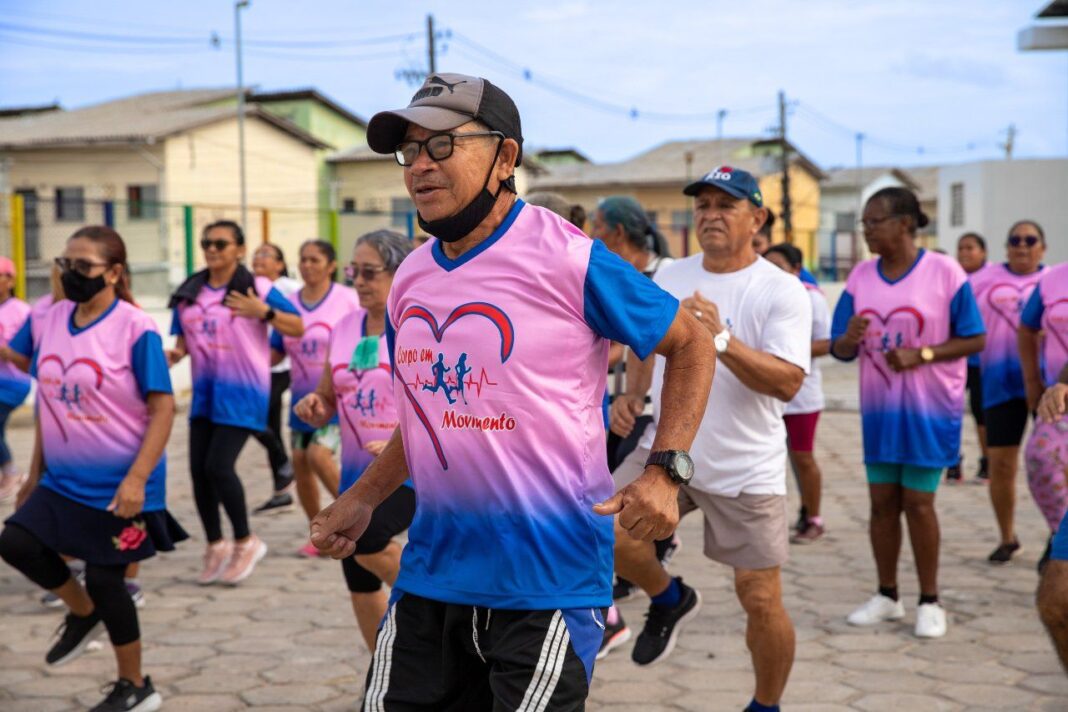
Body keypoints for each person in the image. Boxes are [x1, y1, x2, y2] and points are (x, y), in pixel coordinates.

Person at [308, 72, 714, 711]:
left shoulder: (567, 257)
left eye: (442, 145)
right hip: (431, 579)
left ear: (505, 155)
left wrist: (665, 470)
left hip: (545, 586)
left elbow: (690, 344)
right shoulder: (409, 279)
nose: (420, 166)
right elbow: (426, 420)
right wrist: (362, 497)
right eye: (409, 150)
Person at [611, 166, 809, 712]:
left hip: (746, 466)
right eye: (702, 206)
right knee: (601, 530)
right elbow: (641, 339)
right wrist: (632, 393)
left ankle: (765, 705)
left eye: (726, 205)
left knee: (760, 599)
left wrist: (720, 338)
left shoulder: (781, 289)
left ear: (758, 218)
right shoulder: (672, 273)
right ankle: (668, 597)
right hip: (668, 450)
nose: (710, 215)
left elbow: (789, 381)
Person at [0, 225, 185, 712]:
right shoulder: (51, 319)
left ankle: (136, 685)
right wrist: (34, 474)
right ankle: (82, 613)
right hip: (61, 479)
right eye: (65, 264)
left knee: (108, 581)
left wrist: (137, 481)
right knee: (15, 541)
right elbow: (49, 402)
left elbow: (163, 408)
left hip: (119, 484)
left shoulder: (135, 327)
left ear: (115, 272)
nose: (70, 274)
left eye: (83, 266)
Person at [831, 187, 984, 639]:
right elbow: (839, 347)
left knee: (919, 504)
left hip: (929, 411)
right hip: (880, 413)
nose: (866, 230)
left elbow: (975, 338)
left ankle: (931, 600)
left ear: (904, 223)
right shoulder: (860, 277)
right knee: (882, 504)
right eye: (864, 223)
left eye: (873, 221)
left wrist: (925, 353)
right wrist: (849, 337)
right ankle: (887, 594)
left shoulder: (945, 272)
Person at [294, 230, 413, 652]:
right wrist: (315, 405)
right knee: (359, 580)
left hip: (406, 470)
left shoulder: (416, 325)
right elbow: (329, 396)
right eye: (353, 272)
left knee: (363, 539)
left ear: (399, 272)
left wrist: (404, 442)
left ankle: (441, 603)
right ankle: (383, 675)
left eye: (369, 272)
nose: (359, 281)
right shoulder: (344, 326)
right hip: (354, 473)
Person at [167, 220, 303, 585]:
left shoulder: (257, 286)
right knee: (198, 472)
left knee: (218, 467)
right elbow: (181, 342)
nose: (212, 249)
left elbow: (297, 325)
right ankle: (216, 545)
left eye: (221, 244)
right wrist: (173, 355)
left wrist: (266, 313)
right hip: (205, 396)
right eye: (207, 243)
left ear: (239, 250)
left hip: (244, 393)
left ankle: (246, 540)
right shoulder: (188, 293)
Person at [588, 195, 678, 653]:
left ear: (616, 234)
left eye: (595, 226)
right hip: (628, 409)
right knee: (600, 511)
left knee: (611, 510)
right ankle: (619, 598)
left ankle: (651, 576)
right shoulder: (613, 275)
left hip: (660, 420)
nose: (589, 235)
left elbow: (668, 345)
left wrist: (634, 394)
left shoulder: (664, 276)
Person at [271, 239, 359, 556]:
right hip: (300, 399)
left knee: (319, 455)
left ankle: (357, 518)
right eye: (303, 260)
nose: (307, 266)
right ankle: (320, 534)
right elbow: (273, 352)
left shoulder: (347, 300)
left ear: (331, 265)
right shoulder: (287, 304)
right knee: (299, 461)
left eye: (315, 260)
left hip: (337, 398)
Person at [970, 221, 1046, 563]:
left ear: (1042, 247)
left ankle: (1057, 538)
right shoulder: (980, 281)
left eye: (1030, 240)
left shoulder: (1054, 281)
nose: (1022, 246)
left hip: (1049, 388)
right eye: (1015, 240)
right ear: (1006, 246)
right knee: (1001, 465)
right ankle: (1007, 537)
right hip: (998, 385)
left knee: (1054, 466)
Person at [765, 243, 831, 544]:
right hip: (767, 392)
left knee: (803, 458)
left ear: (795, 269)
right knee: (773, 459)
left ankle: (814, 517)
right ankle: (786, 516)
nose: (772, 273)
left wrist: (783, 352)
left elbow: (825, 342)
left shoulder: (812, 298)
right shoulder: (761, 293)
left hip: (802, 395)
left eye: (779, 267)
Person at [1021, 252, 1068, 569]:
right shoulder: (1053, 279)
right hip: (1059, 397)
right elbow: (1026, 328)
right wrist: (1034, 381)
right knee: (1041, 456)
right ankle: (1060, 534)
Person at [251, 243, 299, 515]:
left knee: (257, 420)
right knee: (266, 424)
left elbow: (297, 321)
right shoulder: (248, 286)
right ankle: (281, 487)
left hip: (280, 365)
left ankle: (284, 466)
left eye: (266, 254)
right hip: (256, 368)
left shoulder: (287, 289)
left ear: (280, 264)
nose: (259, 258)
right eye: (256, 254)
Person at [949, 232, 990, 482]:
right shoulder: (953, 278)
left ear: (983, 252)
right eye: (961, 247)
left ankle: (987, 461)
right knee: (951, 411)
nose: (964, 252)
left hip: (981, 361)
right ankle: (953, 461)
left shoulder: (992, 278)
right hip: (954, 358)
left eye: (970, 247)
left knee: (980, 412)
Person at [0, 256, 32, 501]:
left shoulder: (22, 311)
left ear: (10, 280)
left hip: (13, 382)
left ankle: (11, 472)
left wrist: (7, 353)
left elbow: (30, 351)